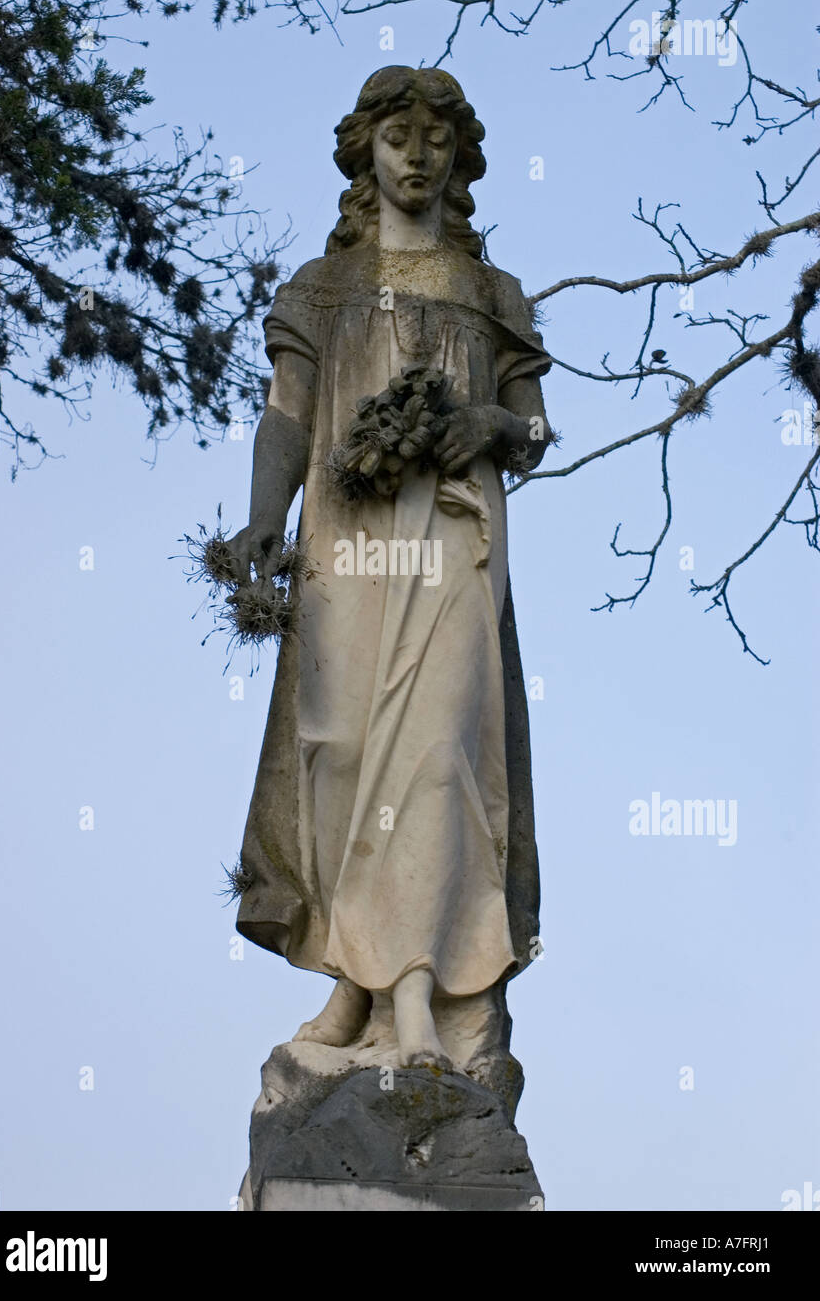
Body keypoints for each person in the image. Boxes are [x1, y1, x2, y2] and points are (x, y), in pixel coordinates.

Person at [228, 66, 553, 1069]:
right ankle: (352, 975)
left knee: (438, 748)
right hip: (346, 543)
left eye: (437, 141)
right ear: (364, 153)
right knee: (341, 749)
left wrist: (490, 423)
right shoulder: (320, 290)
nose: (417, 154)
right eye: (398, 136)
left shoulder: (490, 292)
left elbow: (533, 429)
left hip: (454, 540)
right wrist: (258, 523)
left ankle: (415, 991)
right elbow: (287, 414)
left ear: (460, 163)